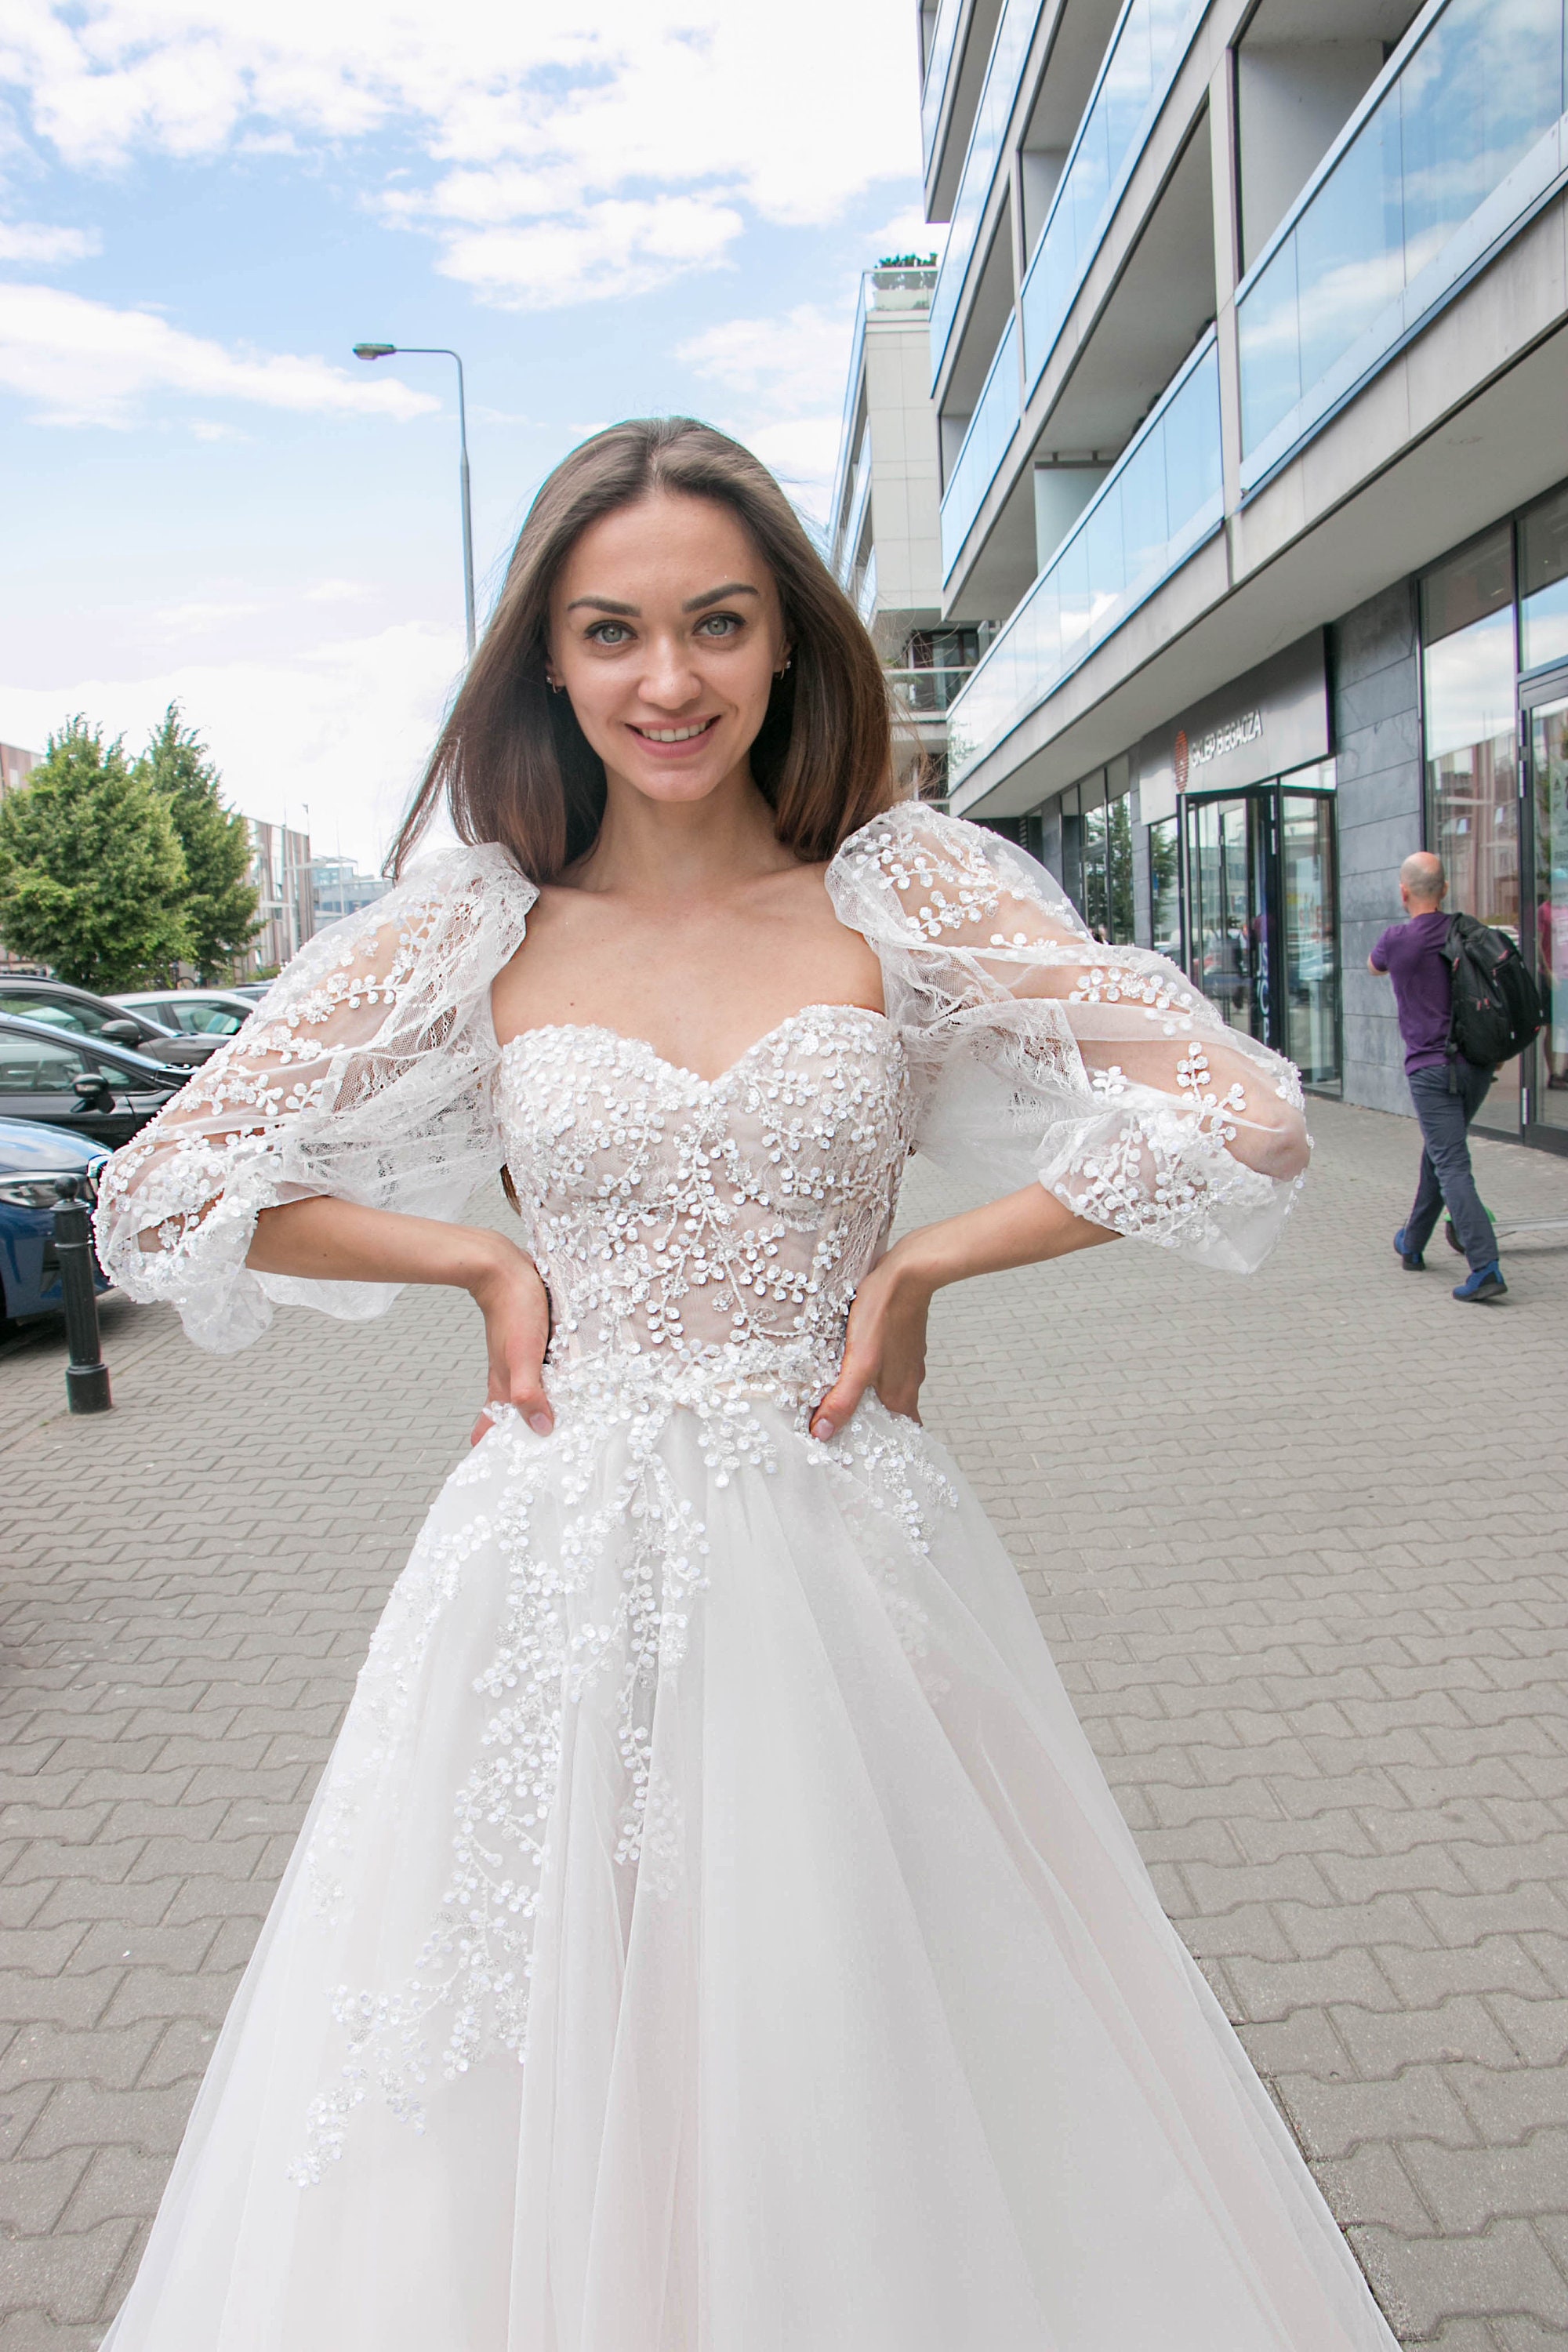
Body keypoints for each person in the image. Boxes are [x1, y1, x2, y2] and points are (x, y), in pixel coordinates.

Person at [93, 419, 1397, 2351]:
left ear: (783, 636)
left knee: (854, 2041)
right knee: (528, 2053)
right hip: (549, 1582)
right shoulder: (478, 927)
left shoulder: (900, 896)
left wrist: (935, 1249)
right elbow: (169, 1185)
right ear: (547, 655)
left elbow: (1243, 1110)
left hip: (846, 1555)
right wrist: (471, 1252)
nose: (667, 679)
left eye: (714, 622)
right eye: (610, 631)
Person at [1370, 850, 1506, 1302]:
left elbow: (1375, 965)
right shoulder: (1463, 932)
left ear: (1403, 892)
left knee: (1450, 1164)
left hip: (1431, 1070)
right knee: (1440, 1153)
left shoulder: (1396, 940)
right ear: (1445, 890)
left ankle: (1485, 1266)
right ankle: (1412, 1242)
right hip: (1477, 1067)